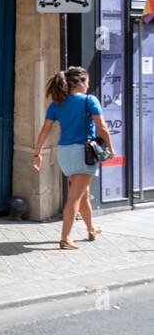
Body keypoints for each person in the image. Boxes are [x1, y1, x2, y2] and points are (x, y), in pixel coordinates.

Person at [32, 65, 113, 250]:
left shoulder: (57, 103)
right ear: (79, 82)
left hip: (65, 153)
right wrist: (110, 147)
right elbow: (102, 127)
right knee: (75, 197)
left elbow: (45, 130)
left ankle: (91, 229)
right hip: (83, 153)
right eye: (87, 83)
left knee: (83, 194)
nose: (88, 87)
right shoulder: (89, 101)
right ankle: (65, 238)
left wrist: (38, 153)